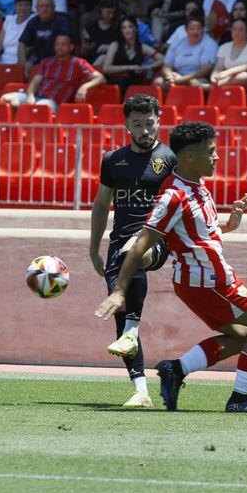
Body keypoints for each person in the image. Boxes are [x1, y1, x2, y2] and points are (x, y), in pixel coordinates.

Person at [95, 120, 247, 415]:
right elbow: (142, 242)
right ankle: (240, 399)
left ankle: (175, 370)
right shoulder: (173, 196)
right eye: (211, 152)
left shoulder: (197, 187)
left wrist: (229, 224)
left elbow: (197, 232)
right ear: (190, 156)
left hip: (202, 281)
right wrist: (119, 291)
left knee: (243, 335)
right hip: (209, 281)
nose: (216, 157)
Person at [88, 93, 176, 409]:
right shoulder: (114, 160)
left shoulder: (170, 158)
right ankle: (141, 391)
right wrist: (93, 248)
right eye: (137, 124)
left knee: (136, 249)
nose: (144, 130)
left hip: (157, 241)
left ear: (159, 120)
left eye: (149, 123)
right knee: (119, 316)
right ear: (127, 124)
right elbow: (101, 204)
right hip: (118, 243)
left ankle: (132, 327)